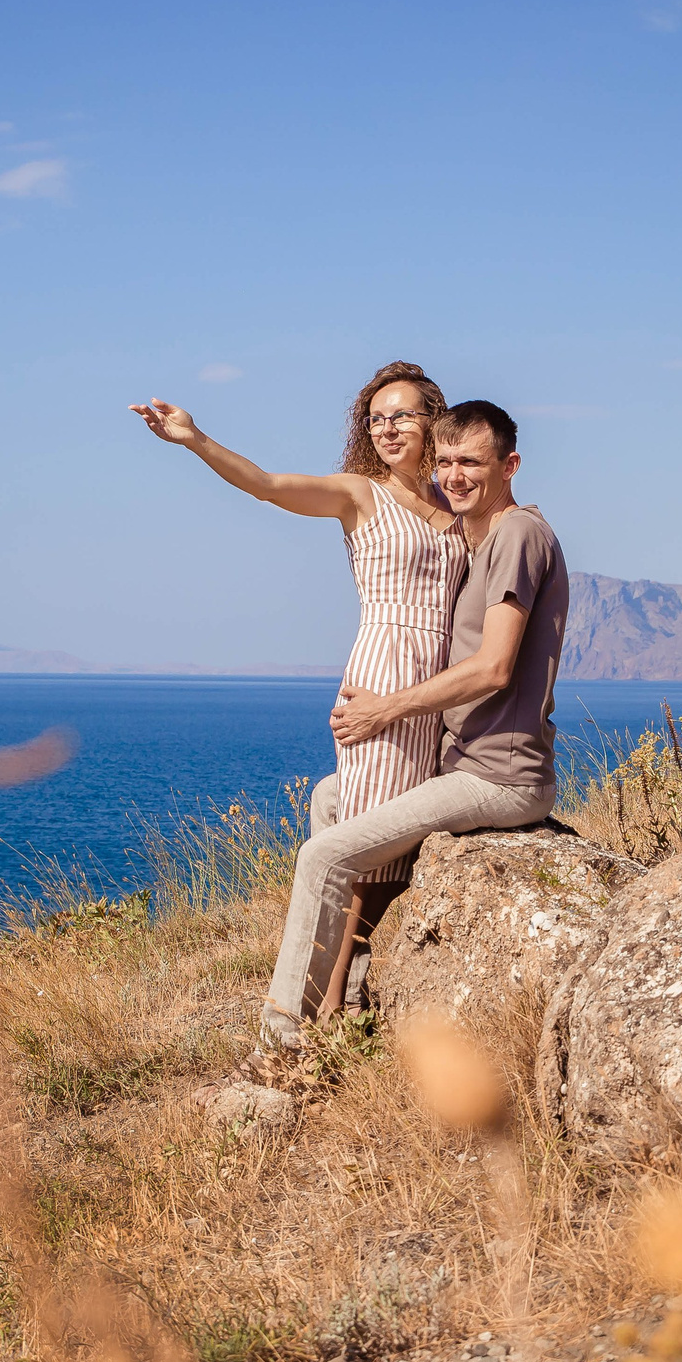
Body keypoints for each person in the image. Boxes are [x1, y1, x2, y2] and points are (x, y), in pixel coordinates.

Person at [128, 363, 468, 1014]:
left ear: (434, 421)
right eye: (376, 419)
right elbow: (268, 486)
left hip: (440, 689)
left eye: (402, 415)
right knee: (367, 845)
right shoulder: (360, 494)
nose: (387, 428)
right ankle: (322, 1008)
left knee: (399, 847)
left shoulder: (456, 509)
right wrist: (194, 438)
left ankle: (339, 995)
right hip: (384, 678)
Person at [259, 399, 569, 1062]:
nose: (455, 476)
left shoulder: (516, 535)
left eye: (472, 462)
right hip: (466, 765)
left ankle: (282, 1042)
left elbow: (494, 668)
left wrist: (386, 710)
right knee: (330, 798)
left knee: (323, 857)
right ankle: (347, 998)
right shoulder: (482, 537)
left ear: (510, 465)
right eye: (447, 461)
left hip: (499, 777)